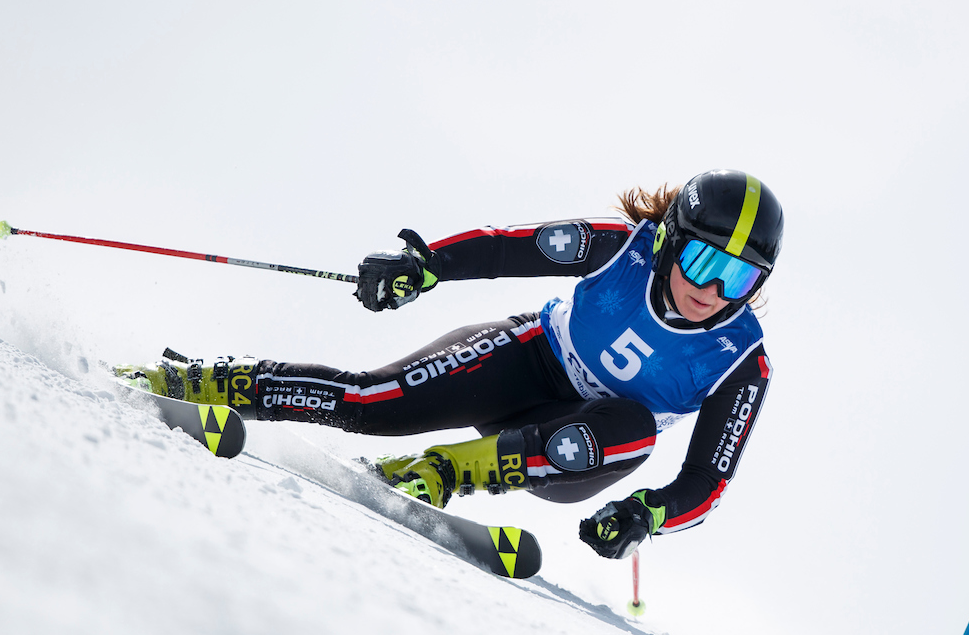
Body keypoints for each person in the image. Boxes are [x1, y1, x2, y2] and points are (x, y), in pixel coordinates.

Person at [116, 169, 782, 560]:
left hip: (576, 447)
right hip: (529, 357)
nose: (712, 291)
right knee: (370, 404)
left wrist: (647, 513)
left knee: (635, 428)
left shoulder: (740, 361)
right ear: (669, 240)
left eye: (739, 278)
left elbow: (707, 481)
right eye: (704, 260)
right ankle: (208, 380)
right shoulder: (625, 247)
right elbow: (508, 249)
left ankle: (438, 474)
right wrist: (425, 266)